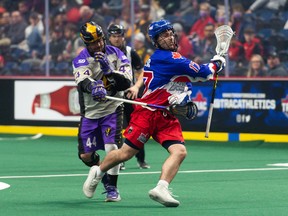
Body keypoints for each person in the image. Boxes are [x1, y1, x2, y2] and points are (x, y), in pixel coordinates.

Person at [82, 19, 225, 207]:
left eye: (170, 33)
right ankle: (98, 172)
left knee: (180, 151)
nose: (170, 37)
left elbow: (185, 81)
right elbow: (203, 72)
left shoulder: (173, 58)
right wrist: (217, 63)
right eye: (164, 35)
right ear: (156, 41)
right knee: (125, 153)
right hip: (147, 113)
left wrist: (183, 99)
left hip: (165, 115)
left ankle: (161, 188)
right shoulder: (168, 58)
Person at [72, 21, 132, 202]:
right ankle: (99, 171)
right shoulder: (80, 59)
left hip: (112, 109)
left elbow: (126, 83)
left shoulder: (118, 54)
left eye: (100, 40)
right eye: (93, 43)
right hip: (90, 113)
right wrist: (93, 87)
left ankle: (112, 188)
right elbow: (83, 82)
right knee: (85, 155)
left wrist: (109, 70)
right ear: (86, 43)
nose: (98, 45)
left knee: (112, 147)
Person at [107, 23, 150, 169]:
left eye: (119, 36)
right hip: (112, 95)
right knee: (115, 128)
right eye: (114, 36)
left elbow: (143, 71)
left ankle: (141, 159)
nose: (117, 39)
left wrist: (136, 86)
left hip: (129, 94)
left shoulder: (130, 51)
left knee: (137, 126)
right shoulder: (103, 53)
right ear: (109, 37)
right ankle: (119, 160)